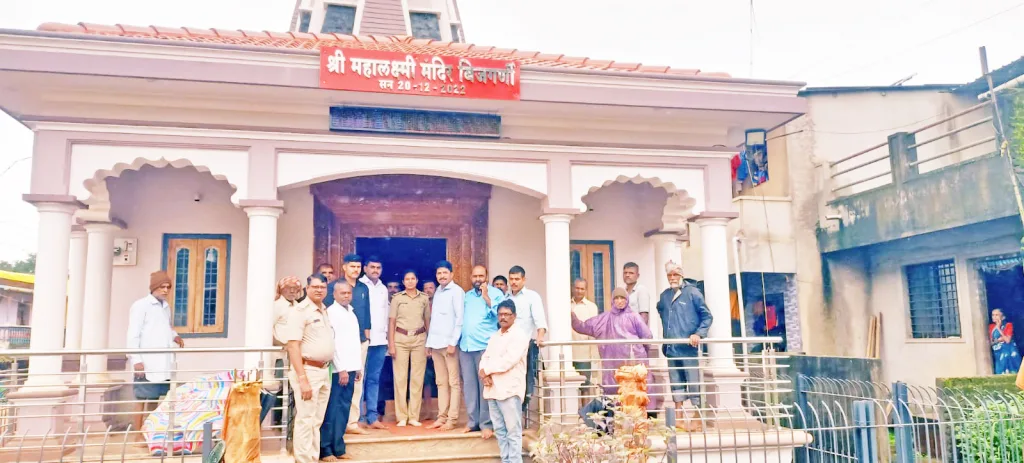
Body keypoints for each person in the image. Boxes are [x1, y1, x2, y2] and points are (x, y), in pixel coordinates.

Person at [571, 287, 656, 410]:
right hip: (613, 367)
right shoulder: (604, 319)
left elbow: (647, 336)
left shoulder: (634, 317)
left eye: (622, 298)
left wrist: (641, 353)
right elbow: (582, 326)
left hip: (634, 365)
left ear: (627, 300)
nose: (620, 301)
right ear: (612, 300)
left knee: (637, 396)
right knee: (615, 399)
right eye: (617, 298)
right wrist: (570, 314)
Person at [281, 274, 335, 463]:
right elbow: (293, 346)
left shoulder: (324, 309)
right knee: (305, 418)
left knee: (316, 420)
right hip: (308, 371)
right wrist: (302, 378)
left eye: (323, 287)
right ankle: (303, 459)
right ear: (307, 288)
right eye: (315, 287)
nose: (319, 290)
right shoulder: (300, 311)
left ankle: (312, 457)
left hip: (324, 371)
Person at [656, 261, 712, 431]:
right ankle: (679, 418)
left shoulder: (693, 293)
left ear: (681, 275)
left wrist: (698, 333)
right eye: (669, 275)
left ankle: (697, 417)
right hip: (672, 348)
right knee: (676, 382)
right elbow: (661, 311)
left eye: (675, 275)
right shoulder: (665, 296)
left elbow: (707, 317)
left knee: (693, 381)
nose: (672, 278)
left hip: (689, 348)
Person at [127, 270, 185, 433]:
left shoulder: (165, 307)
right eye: (162, 287)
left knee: (154, 398)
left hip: (163, 363)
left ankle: (149, 433)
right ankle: (137, 435)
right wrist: (136, 360)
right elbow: (133, 335)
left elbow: (165, 328)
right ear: (153, 288)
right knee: (141, 398)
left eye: (168, 287)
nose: (165, 290)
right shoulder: (141, 306)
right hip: (146, 363)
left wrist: (175, 336)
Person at [455, 265, 504, 436]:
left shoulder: (496, 294)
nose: (478, 279)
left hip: (484, 347)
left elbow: (500, 315)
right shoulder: (467, 296)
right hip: (466, 346)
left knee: (485, 386)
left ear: (486, 277)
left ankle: (486, 423)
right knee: (469, 387)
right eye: (475, 276)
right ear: (471, 277)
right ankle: (472, 422)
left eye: (481, 276)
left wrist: (486, 297)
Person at [479, 299, 531, 463]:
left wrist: (487, 370)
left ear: (514, 316)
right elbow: (485, 357)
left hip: (509, 390)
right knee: (500, 431)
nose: (503, 317)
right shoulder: (495, 336)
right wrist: (483, 373)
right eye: (500, 314)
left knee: (513, 432)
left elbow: (509, 361)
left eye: (507, 314)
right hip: (492, 389)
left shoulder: (519, 335)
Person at [326, 254, 371, 435]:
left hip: (358, 342)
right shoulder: (334, 287)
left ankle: (352, 422)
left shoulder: (363, 288)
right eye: (352, 266)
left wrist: (366, 336)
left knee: (356, 385)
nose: (356, 269)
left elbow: (366, 313)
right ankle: (336, 427)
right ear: (344, 267)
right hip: (338, 347)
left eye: (358, 266)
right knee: (338, 388)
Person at [319, 281, 363, 461]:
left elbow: (354, 342)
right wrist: (341, 369)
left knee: (344, 409)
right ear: (334, 294)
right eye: (342, 293)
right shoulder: (331, 313)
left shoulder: (351, 313)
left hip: (351, 368)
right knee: (332, 410)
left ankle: (338, 448)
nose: (346, 296)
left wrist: (357, 367)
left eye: (348, 293)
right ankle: (325, 449)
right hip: (339, 370)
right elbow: (333, 345)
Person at [389, 270, 431, 426]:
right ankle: (401, 416)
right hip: (400, 339)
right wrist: (391, 344)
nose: (410, 281)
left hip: (420, 339)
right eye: (407, 279)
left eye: (413, 278)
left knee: (417, 378)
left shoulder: (424, 298)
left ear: (417, 280)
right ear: (403, 282)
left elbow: (427, 321)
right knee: (400, 378)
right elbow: (392, 322)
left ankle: (413, 416)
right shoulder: (397, 298)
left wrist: (429, 343)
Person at [425, 260, 464, 429]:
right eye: (439, 273)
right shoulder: (438, 292)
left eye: (445, 273)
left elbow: (460, 319)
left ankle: (452, 419)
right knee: (441, 382)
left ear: (451, 274)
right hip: (436, 345)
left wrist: (453, 342)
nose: (442, 276)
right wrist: (429, 344)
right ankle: (441, 417)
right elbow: (434, 321)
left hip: (449, 345)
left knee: (453, 383)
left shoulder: (457, 292)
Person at [505, 266, 547, 414]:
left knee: (525, 384)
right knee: (510, 384)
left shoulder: (532, 297)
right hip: (508, 348)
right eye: (511, 279)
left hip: (525, 347)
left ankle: (520, 417)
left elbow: (540, 321)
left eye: (517, 279)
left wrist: (540, 337)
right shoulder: (506, 298)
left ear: (524, 280)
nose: (514, 282)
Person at [358, 256, 389, 429]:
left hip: (380, 341)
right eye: (372, 267)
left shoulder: (383, 288)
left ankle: (372, 416)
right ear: (365, 268)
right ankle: (359, 417)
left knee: (374, 379)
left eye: (378, 268)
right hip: (363, 341)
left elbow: (386, 315)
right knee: (360, 379)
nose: (375, 270)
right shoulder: (359, 286)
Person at [570, 278, 600, 388]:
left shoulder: (591, 307)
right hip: (568, 353)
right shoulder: (565, 305)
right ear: (573, 288)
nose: (579, 291)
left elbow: (593, 330)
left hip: (584, 354)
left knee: (585, 386)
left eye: (582, 289)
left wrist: (594, 354)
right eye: (577, 288)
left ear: (586, 290)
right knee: (570, 387)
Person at [991, 308, 1021, 374]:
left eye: (997, 315)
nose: (994, 317)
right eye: (993, 315)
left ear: (1003, 317)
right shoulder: (990, 327)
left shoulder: (1008, 325)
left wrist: (998, 328)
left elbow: (1007, 340)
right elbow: (990, 342)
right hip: (997, 351)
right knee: (1000, 369)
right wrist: (998, 340)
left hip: (1008, 351)